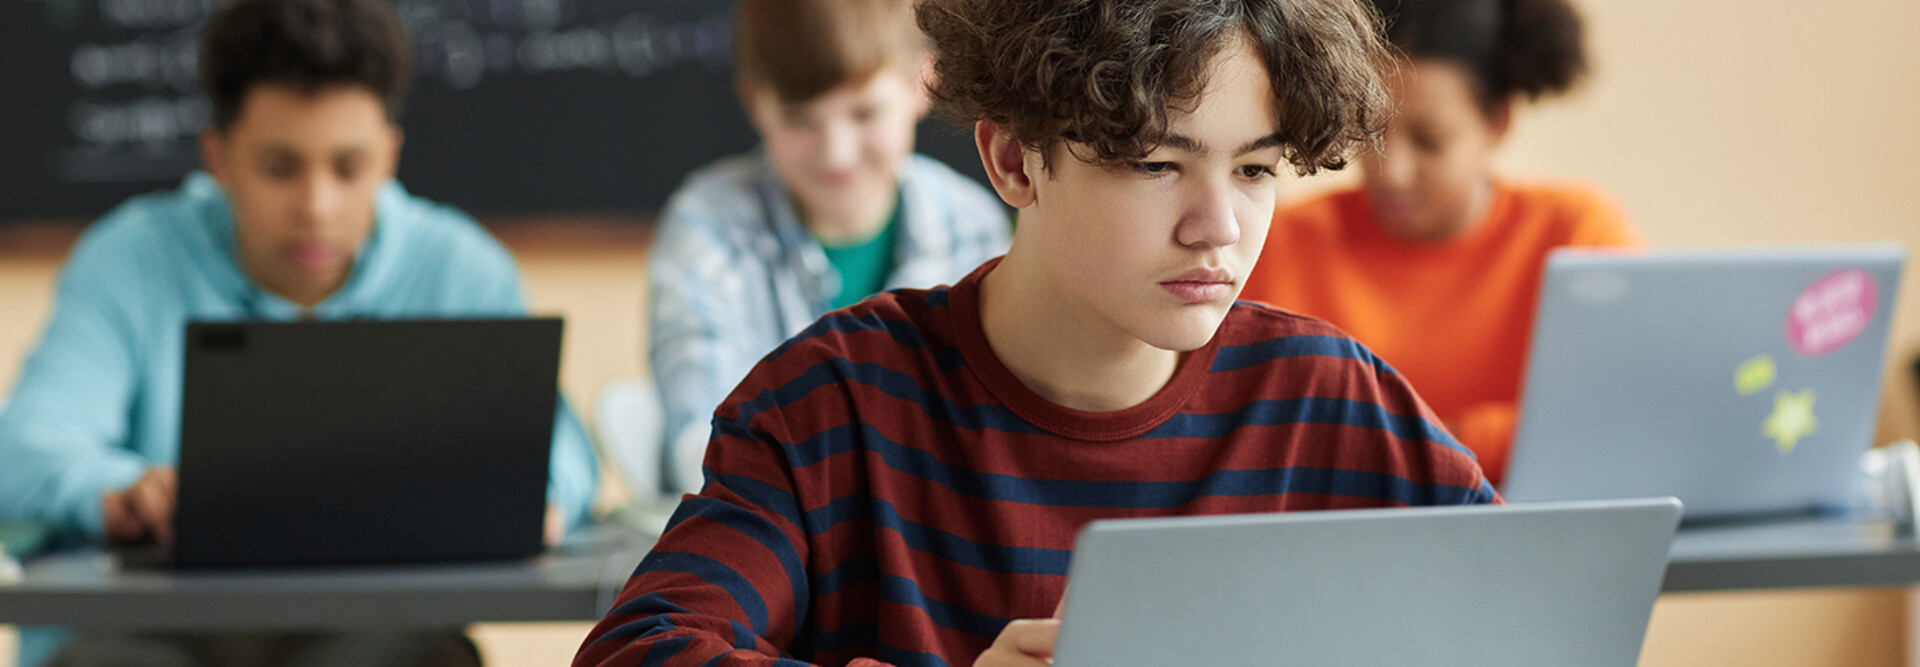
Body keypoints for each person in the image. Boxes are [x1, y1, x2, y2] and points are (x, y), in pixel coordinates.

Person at [576, 1, 1494, 666]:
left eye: (1255, 169)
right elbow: (638, 650)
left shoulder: (1331, 398)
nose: (1219, 225)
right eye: (1154, 163)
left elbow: (1532, 618)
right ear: (1015, 159)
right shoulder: (831, 401)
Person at [0, 0, 596, 663]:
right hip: (146, 637)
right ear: (218, 156)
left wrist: (537, 497)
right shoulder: (128, 258)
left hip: (371, 633)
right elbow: (24, 448)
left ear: (390, 156)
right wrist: (120, 490)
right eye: (280, 168)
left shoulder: (459, 267)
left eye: (348, 167)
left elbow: (563, 456)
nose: (317, 206)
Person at [1240, 0, 1644, 483]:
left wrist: (1388, 448)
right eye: (1370, 133)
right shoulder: (1285, 240)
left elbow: (1621, 414)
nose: (1393, 173)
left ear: (1497, 124)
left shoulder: (1577, 233)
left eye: (1429, 140)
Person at [646, 0, 1011, 495]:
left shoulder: (972, 225)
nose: (836, 151)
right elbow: (704, 448)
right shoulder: (706, 229)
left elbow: (996, 430)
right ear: (755, 104)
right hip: (777, 538)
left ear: (921, 83)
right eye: (800, 120)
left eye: (864, 112)